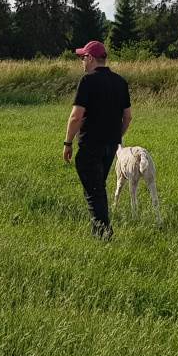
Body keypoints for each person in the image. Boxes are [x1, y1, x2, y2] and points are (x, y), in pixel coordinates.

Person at [62, 40, 132, 240]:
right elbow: (128, 117)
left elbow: (76, 116)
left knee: (94, 193)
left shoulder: (88, 81)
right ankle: (100, 231)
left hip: (90, 146)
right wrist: (116, 135)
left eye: (83, 57)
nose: (82, 62)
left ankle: (104, 234)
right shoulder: (120, 82)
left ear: (91, 58)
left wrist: (67, 143)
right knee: (98, 188)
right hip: (111, 147)